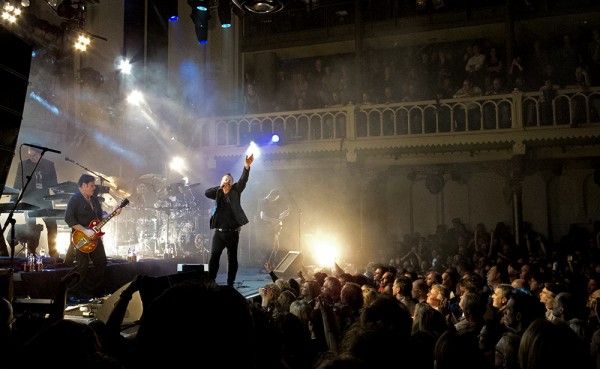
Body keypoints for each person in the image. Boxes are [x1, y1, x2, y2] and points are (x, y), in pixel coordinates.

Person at [63, 174, 122, 299]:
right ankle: (70, 294)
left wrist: (113, 214)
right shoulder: (75, 199)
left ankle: (97, 294)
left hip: (95, 238)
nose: (94, 188)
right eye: (91, 185)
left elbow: (99, 218)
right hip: (80, 237)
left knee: (101, 262)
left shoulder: (94, 200)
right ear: (84, 185)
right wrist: (85, 230)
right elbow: (68, 218)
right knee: (81, 267)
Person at [204, 153, 254, 287]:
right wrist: (220, 187)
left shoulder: (236, 190)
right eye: (225, 179)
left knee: (232, 259)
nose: (227, 181)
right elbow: (206, 192)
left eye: (229, 180)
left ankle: (230, 283)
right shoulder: (218, 192)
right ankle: (211, 281)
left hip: (232, 232)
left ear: (232, 182)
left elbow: (243, 180)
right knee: (214, 257)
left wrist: (246, 166)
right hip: (219, 233)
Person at [11, 146, 59, 258]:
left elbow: (54, 183)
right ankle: (31, 254)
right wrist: (13, 202)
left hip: (45, 200)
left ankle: (53, 253)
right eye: (29, 155)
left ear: (41, 154)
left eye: (34, 155)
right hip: (29, 201)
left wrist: (59, 192)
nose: (31, 157)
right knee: (30, 229)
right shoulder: (23, 164)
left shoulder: (49, 165)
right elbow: (17, 184)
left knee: (52, 226)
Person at [258, 188, 289, 266]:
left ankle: (270, 265)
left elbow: (276, 217)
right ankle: (264, 266)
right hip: (267, 229)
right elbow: (263, 216)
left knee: (275, 247)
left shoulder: (271, 204)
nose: (275, 200)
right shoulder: (264, 202)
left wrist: (284, 214)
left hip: (274, 229)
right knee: (271, 248)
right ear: (272, 195)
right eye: (275, 198)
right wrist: (275, 221)